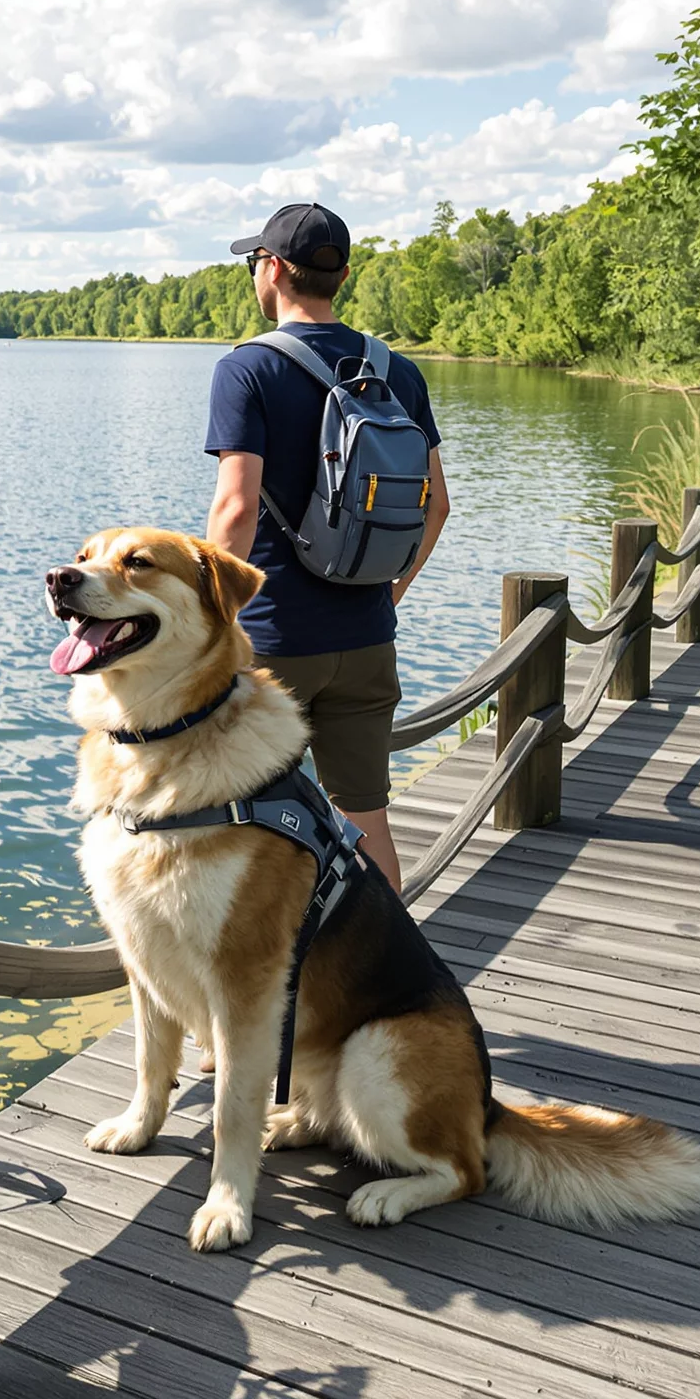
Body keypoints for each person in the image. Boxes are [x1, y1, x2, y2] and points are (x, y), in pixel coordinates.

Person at [203, 203, 451, 891]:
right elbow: (439, 506)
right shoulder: (396, 369)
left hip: (273, 643)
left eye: (256, 261)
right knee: (367, 822)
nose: (256, 271)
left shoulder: (247, 368)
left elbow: (236, 508)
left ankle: (270, 989)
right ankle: (384, 979)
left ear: (275, 270)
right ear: (339, 273)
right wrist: (386, 593)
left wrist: (206, 618)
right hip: (368, 635)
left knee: (246, 829)